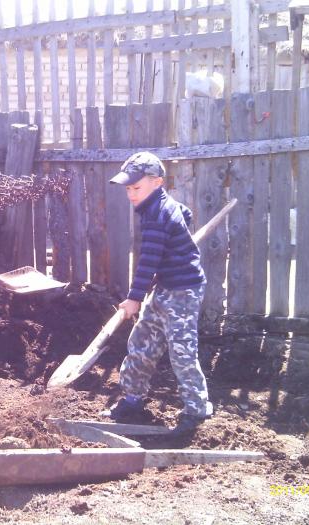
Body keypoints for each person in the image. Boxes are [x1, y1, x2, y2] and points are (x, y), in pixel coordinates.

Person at [102, 151, 213, 437]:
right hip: (165, 286)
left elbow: (148, 260)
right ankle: (133, 399)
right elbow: (184, 214)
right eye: (128, 188)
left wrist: (134, 297)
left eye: (136, 188)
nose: (131, 194)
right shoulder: (162, 207)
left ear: (158, 183)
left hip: (184, 290)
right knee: (141, 340)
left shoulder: (157, 214)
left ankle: (197, 410)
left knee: (181, 351)